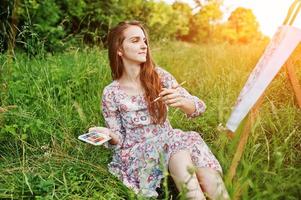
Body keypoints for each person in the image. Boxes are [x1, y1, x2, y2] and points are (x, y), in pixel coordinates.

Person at [89, 20, 230, 199]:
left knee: (190, 139)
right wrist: (108, 134)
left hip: (170, 145)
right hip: (137, 154)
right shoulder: (111, 92)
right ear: (119, 49)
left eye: (144, 41)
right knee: (176, 138)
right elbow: (119, 140)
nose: (143, 46)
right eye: (135, 41)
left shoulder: (159, 76)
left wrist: (182, 101)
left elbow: (199, 107)